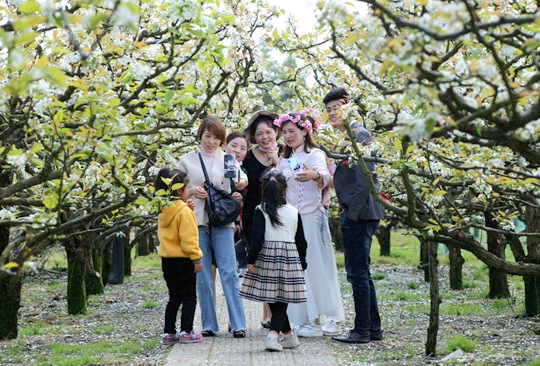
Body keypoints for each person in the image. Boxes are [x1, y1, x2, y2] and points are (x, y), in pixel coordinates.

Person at [274, 110, 345, 337]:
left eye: (292, 131)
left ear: (305, 131)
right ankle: (303, 318)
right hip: (291, 220)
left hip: (310, 218)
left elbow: (325, 178)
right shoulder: (285, 157)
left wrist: (314, 175)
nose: (287, 136)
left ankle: (317, 320)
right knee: (295, 271)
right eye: (284, 132)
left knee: (314, 267)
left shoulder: (315, 153)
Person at [323, 87, 385, 344]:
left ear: (349, 108)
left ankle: (361, 331)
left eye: (336, 107)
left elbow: (365, 180)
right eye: (328, 110)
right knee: (361, 272)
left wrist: (352, 214)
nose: (332, 113)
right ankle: (372, 328)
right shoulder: (347, 136)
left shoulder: (360, 135)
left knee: (357, 273)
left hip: (361, 212)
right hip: (358, 211)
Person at [178, 116, 247, 338]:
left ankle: (238, 323)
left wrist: (240, 185)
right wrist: (191, 191)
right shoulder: (187, 160)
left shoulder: (227, 159)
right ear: (200, 135)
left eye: (216, 138)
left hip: (222, 221)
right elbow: (176, 192)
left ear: (222, 139)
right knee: (204, 274)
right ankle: (209, 324)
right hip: (196, 220)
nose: (211, 142)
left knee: (228, 272)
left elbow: (241, 179)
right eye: (208, 136)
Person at [239, 169, 308, 352]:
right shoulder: (294, 212)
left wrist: (251, 259)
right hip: (290, 256)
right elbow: (301, 241)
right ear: (285, 190)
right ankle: (287, 335)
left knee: (272, 296)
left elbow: (257, 238)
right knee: (281, 298)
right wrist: (302, 263)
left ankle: (273, 334)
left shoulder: (260, 211)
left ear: (264, 190)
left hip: (266, 256)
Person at [155, 168, 203, 344]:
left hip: (167, 260)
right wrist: (197, 259)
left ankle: (168, 332)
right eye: (186, 188)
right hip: (184, 260)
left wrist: (186, 207)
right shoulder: (184, 212)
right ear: (178, 190)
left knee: (174, 296)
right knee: (189, 296)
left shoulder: (162, 210)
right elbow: (188, 239)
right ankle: (186, 331)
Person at [242, 110, 281, 328]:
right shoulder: (248, 156)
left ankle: (281, 312)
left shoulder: (286, 152)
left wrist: (277, 161)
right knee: (260, 263)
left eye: (268, 132)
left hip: (280, 216)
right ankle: (266, 312)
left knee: (278, 263)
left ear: (276, 131)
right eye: (259, 134)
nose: (265, 137)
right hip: (253, 216)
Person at [225, 131, 250, 277]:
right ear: (225, 145)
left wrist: (239, 201)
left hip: (231, 218)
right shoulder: (223, 164)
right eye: (234, 146)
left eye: (242, 148)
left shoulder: (243, 171)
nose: (237, 151)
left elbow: (241, 200)